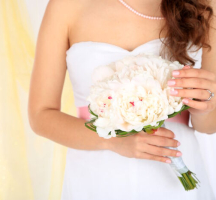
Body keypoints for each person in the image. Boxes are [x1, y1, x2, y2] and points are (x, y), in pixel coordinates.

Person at [28, 0, 216, 199]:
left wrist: (202, 106)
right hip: (97, 178)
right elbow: (40, 115)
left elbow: (209, 125)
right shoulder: (65, 6)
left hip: (175, 176)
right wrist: (111, 141)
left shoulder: (204, 5)